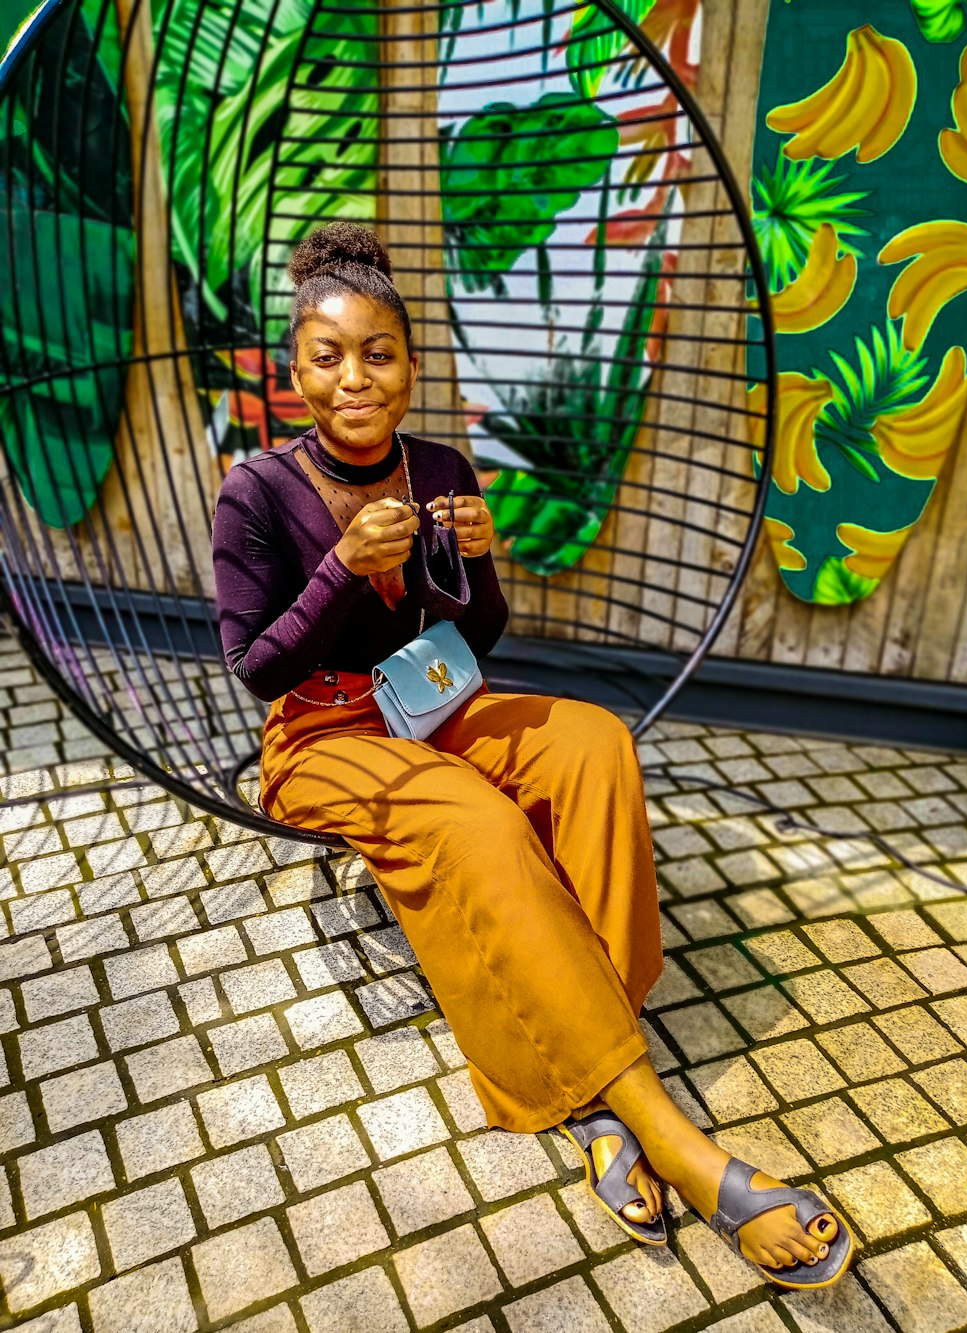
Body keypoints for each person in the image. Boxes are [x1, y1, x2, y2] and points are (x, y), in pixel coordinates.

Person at [212, 221, 854, 1287]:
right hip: (321, 735)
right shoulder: (258, 493)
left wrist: (478, 564)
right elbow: (255, 669)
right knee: (476, 821)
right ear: (297, 373)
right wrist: (334, 570)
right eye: (329, 356)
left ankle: (592, 1091)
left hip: (427, 702)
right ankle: (671, 1139)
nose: (355, 377)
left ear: (413, 367)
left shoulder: (439, 466)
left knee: (591, 746)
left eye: (379, 353)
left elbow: (475, 638)